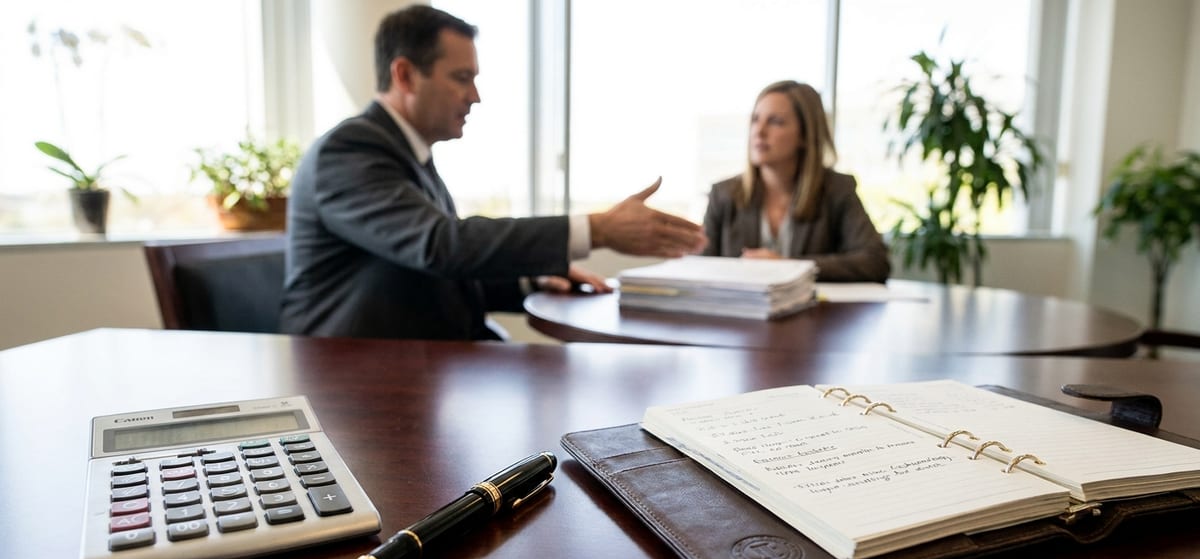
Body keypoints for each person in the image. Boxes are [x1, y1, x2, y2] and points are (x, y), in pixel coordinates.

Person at [280, 6, 705, 340]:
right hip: (352, 374)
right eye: (462, 78)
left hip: (416, 359)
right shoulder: (350, 151)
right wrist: (597, 229)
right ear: (406, 74)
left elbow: (438, 273)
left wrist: (531, 281)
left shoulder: (407, 153)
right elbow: (440, 246)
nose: (475, 96)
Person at [701, 80, 890, 282]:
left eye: (775, 121)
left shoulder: (837, 190)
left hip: (815, 313)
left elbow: (875, 262)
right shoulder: (723, 194)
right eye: (755, 119)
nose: (759, 131)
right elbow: (698, 268)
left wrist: (788, 265)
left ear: (805, 135)